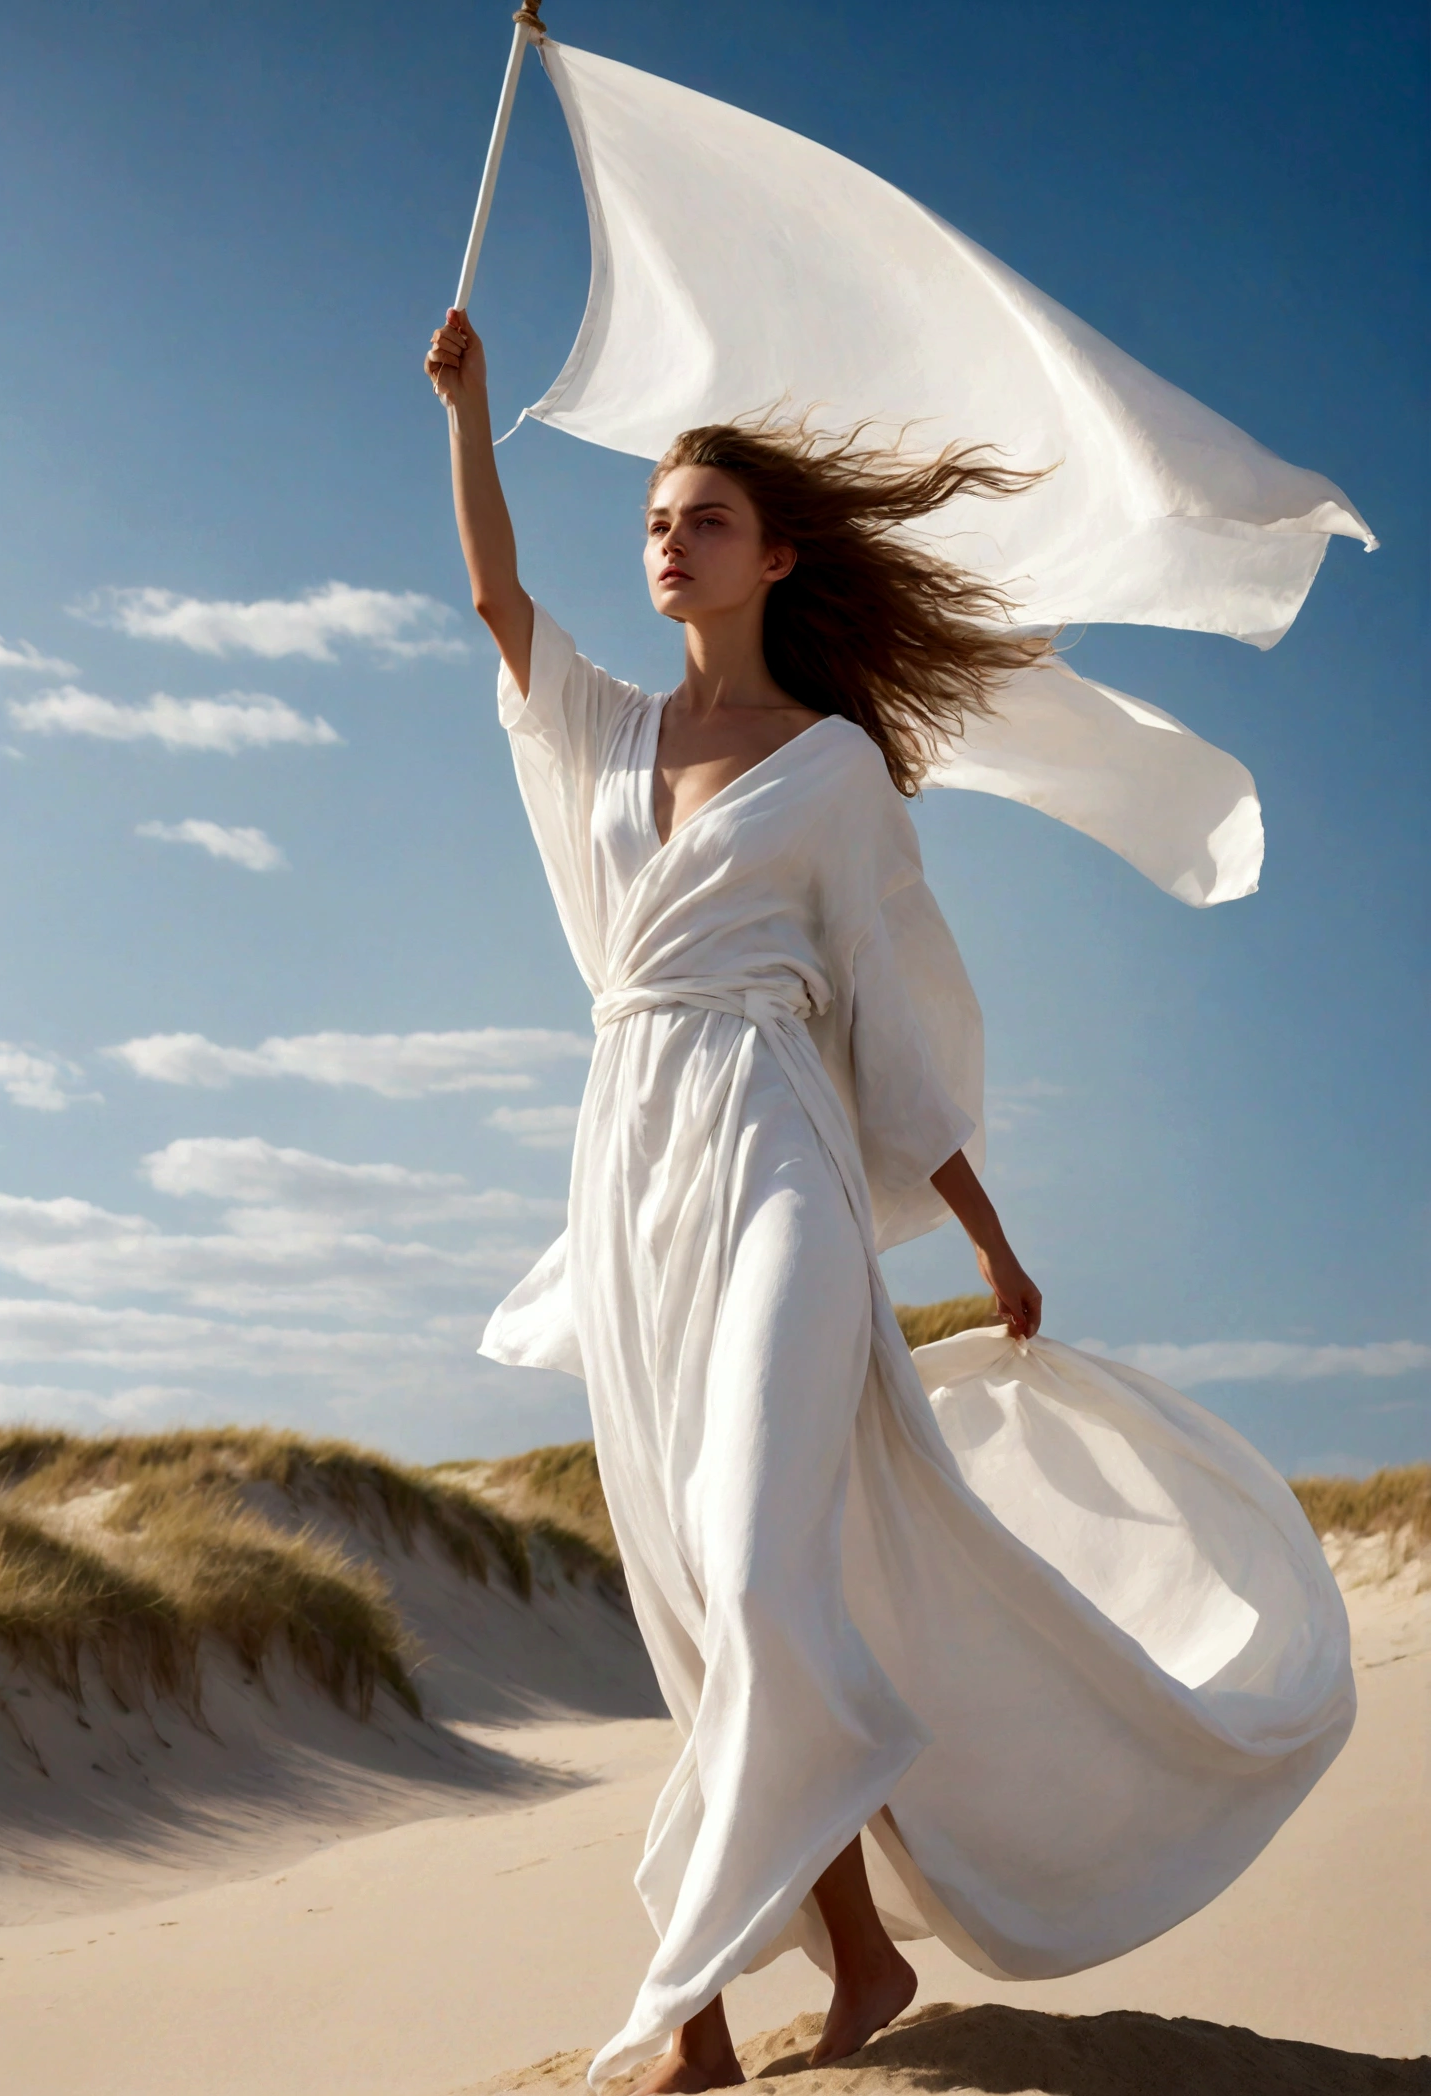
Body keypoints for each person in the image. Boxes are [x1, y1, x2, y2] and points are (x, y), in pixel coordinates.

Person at [423, 310, 1353, 2094]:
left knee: (762, 1553)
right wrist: (466, 413)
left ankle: (697, 1988)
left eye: (702, 517)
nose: (667, 539)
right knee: (703, 1595)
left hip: (774, 1139)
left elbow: (897, 1033)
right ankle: (836, 1967)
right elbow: (492, 599)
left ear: (776, 557)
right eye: (654, 521)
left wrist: (988, 1233)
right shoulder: (607, 733)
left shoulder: (838, 772)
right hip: (630, 1166)